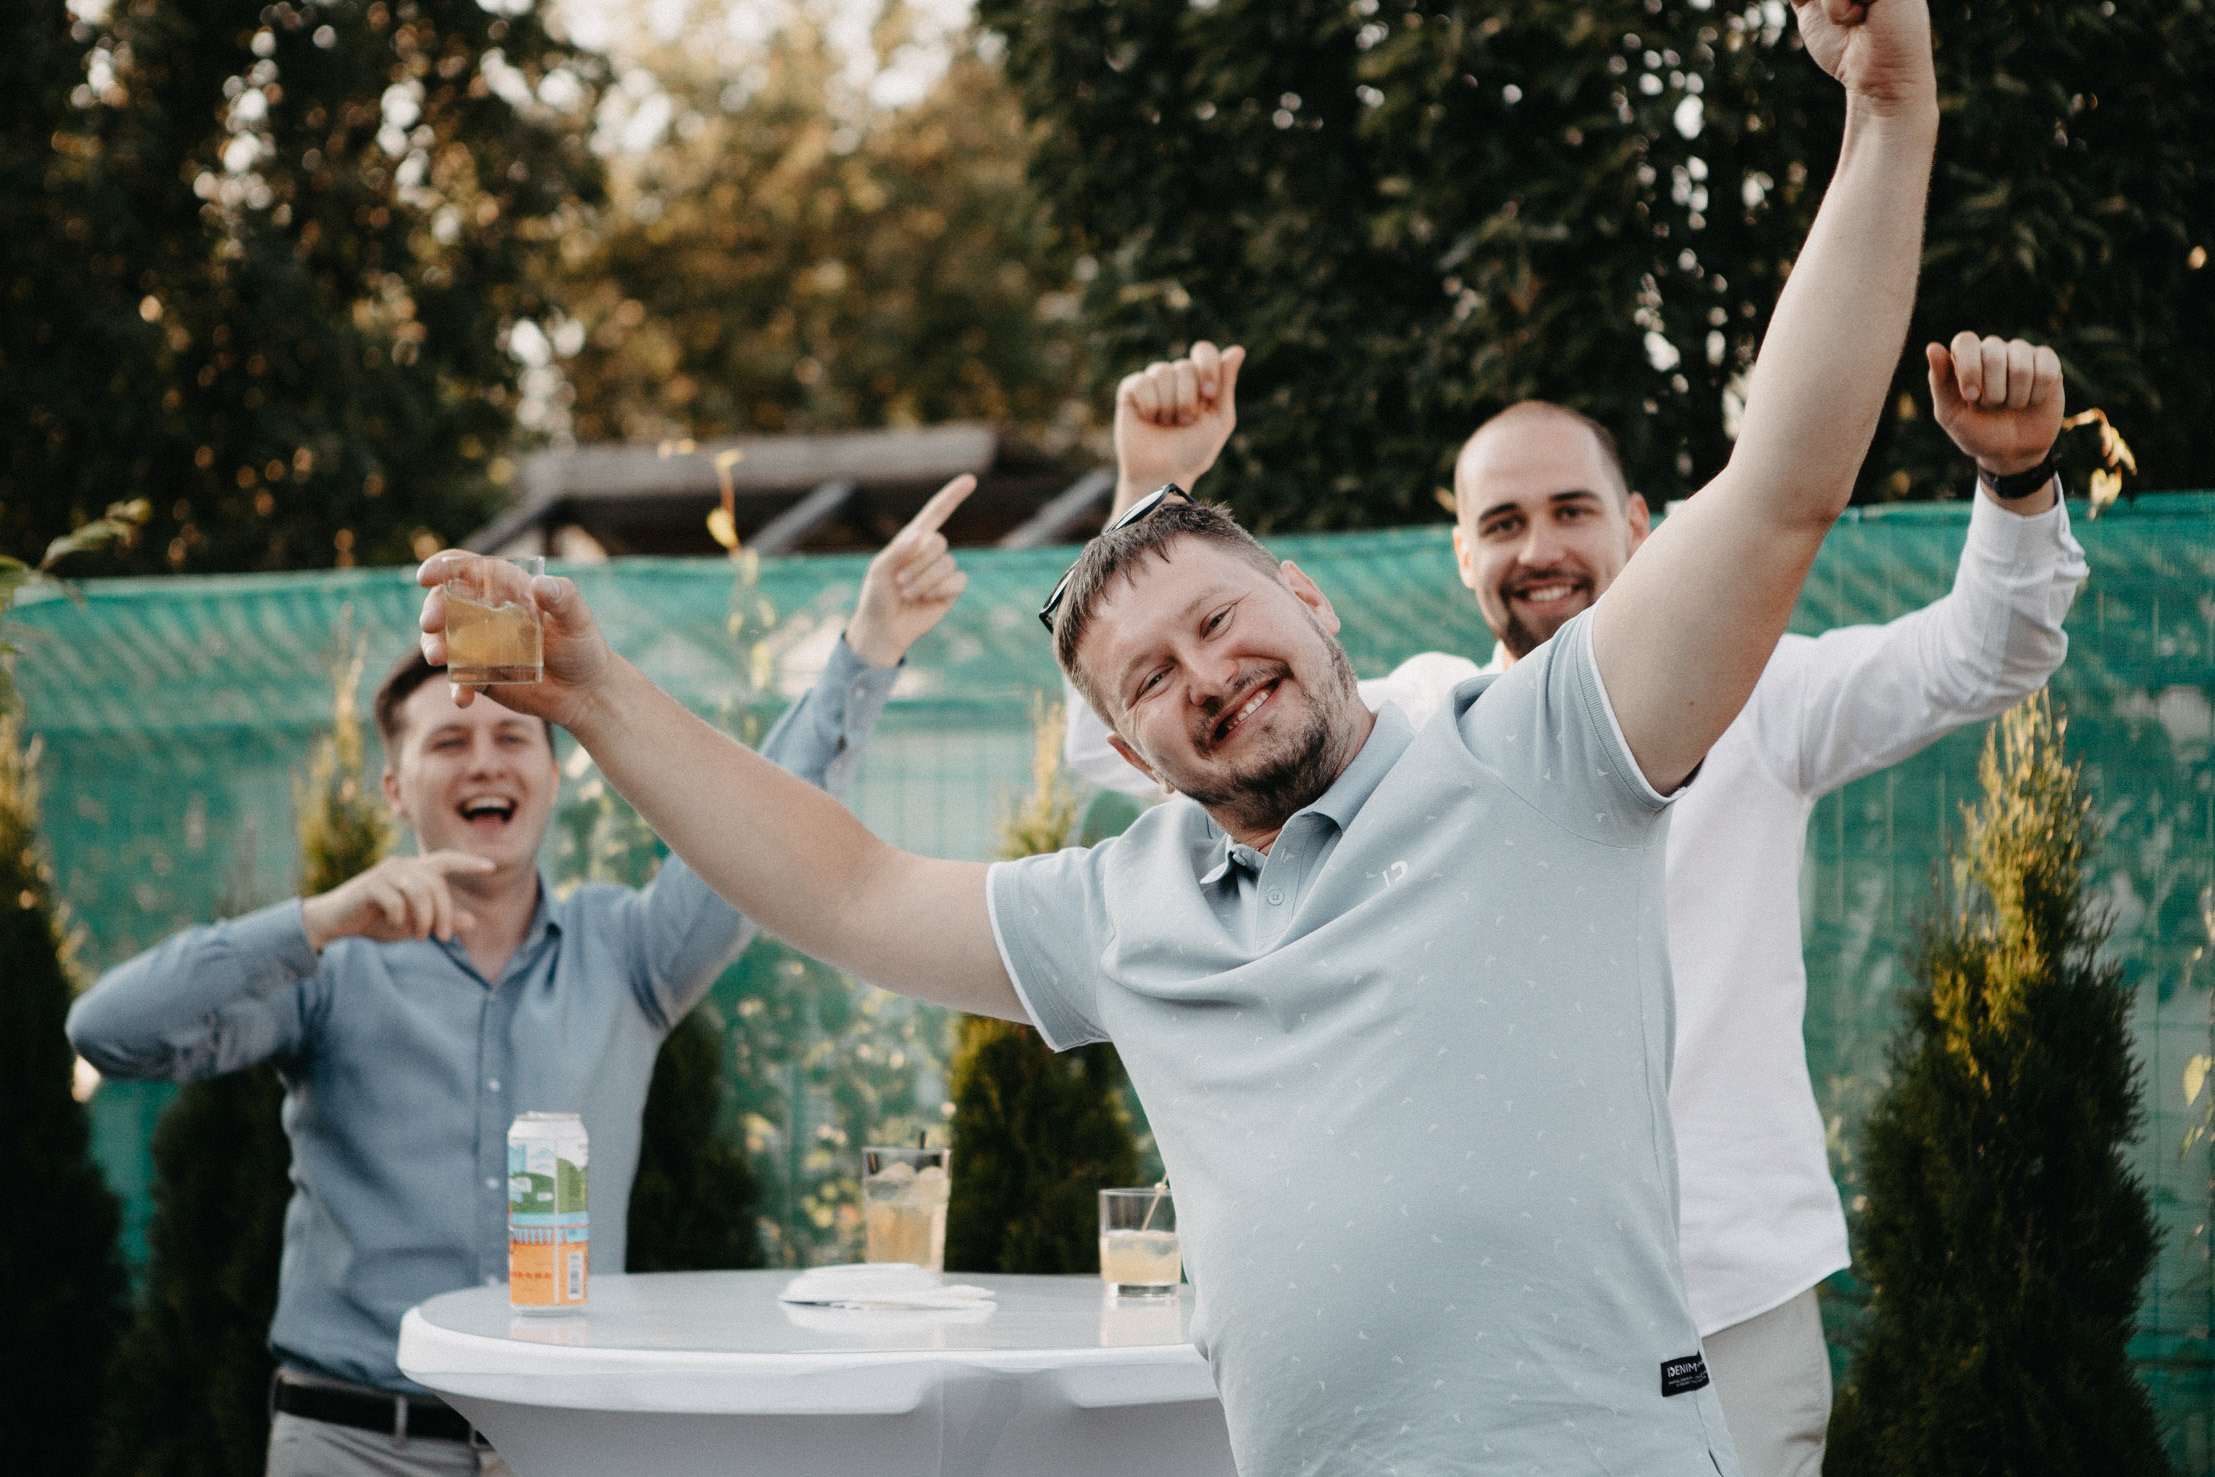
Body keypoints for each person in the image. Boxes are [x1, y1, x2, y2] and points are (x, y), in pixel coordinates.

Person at [415, 1, 1937, 1469]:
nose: (1198, 676)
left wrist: (1882, 112)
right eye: (1143, 680)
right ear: (1133, 757)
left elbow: (1780, 482)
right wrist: (596, 694)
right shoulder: (1128, 910)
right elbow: (846, 889)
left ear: (1312, 603)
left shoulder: (1537, 749)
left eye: (1216, 623)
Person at [1070, 331, 2084, 1477]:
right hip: (1488, 1348)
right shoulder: (1401, 730)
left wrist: (2014, 480)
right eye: (1502, 524)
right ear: (1461, 556)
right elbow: (1129, 753)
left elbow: (1983, 655)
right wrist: (1155, 490)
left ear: (1640, 524)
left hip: (1722, 1310)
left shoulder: (1758, 693)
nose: (1539, 547)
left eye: (1570, 510)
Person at [65, 485, 977, 1477]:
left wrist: (869, 646)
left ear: (552, 772)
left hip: (560, 1444)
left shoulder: (630, 952)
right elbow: (109, 1031)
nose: (484, 759)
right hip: (354, 1441)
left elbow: (762, 829)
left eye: (512, 736)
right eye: (448, 741)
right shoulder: (329, 966)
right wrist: (320, 920)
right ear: (393, 786)